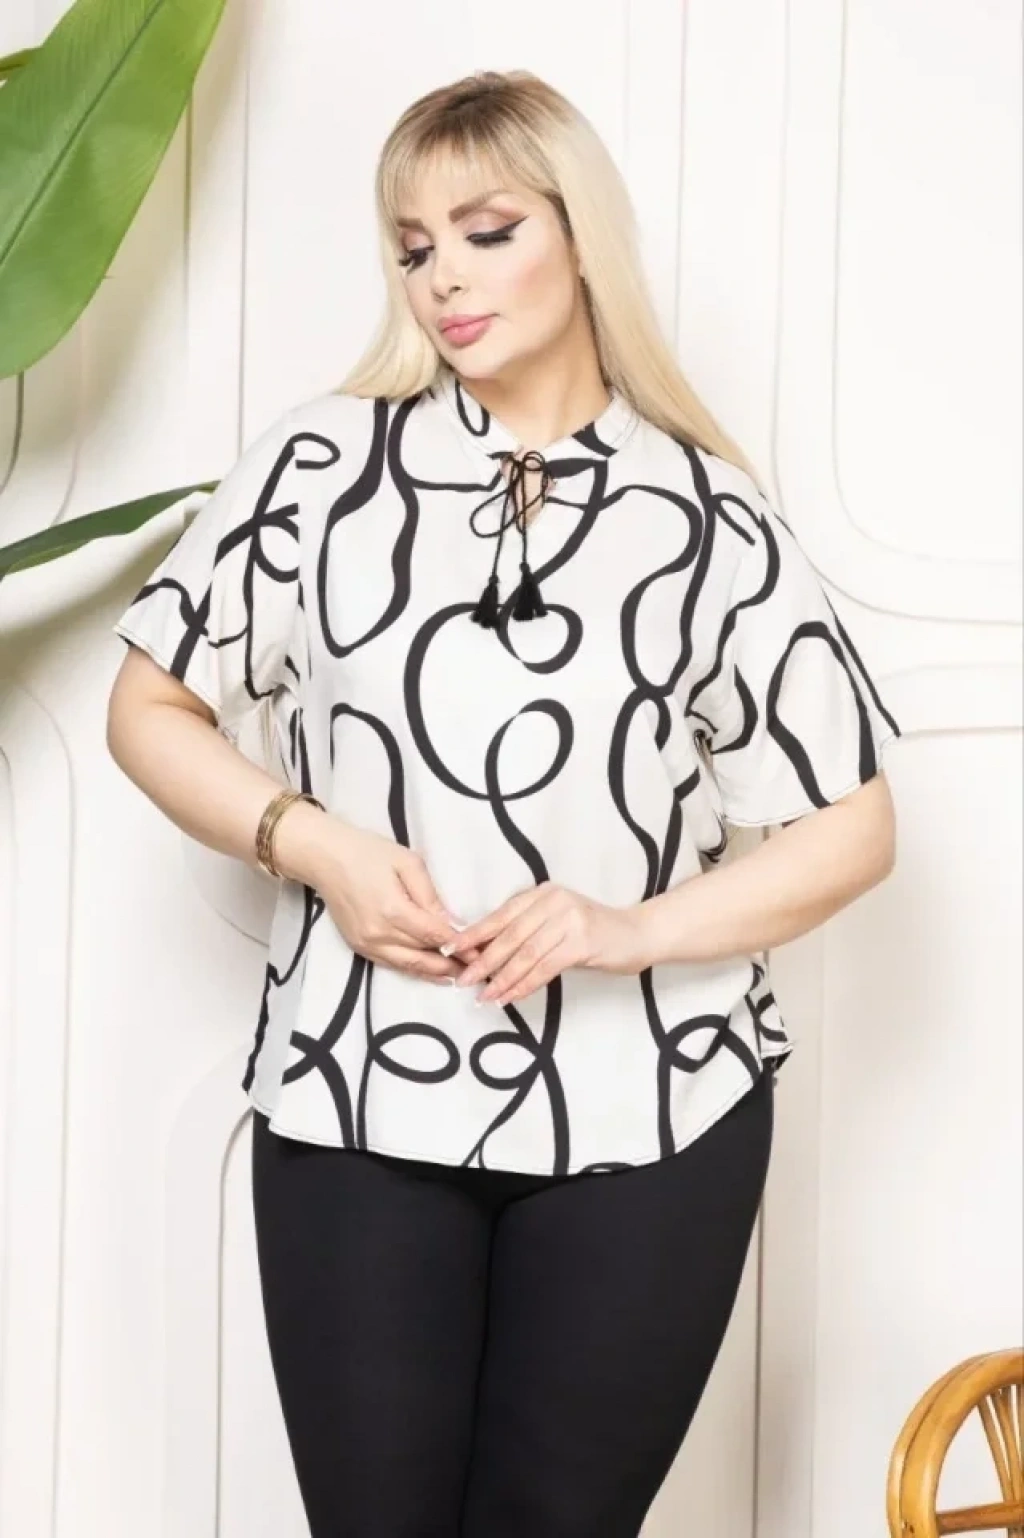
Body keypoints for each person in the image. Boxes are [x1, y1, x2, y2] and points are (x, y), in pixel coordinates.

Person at [106, 68, 900, 1538]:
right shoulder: (323, 465)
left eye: (487, 232)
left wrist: (625, 928)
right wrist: (317, 845)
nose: (445, 280)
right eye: (415, 248)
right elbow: (147, 706)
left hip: (657, 1103)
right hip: (356, 1089)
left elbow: (853, 823)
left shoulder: (711, 516)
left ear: (580, 234)